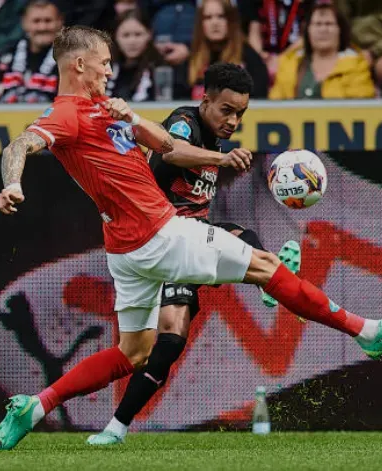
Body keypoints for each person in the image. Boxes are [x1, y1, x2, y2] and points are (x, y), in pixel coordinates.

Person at [0, 25, 382, 451]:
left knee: (134, 353)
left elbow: (164, 145)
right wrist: (12, 183)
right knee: (265, 265)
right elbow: (20, 145)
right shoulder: (67, 112)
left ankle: (34, 407)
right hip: (161, 232)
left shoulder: (104, 108)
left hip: (126, 250)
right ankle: (366, 331)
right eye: (104, 64)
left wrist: (132, 117)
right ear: (80, 63)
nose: (109, 71)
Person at [86, 63, 301, 446]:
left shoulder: (215, 138)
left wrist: (218, 155)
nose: (234, 120)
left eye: (241, 114)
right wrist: (220, 160)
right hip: (159, 239)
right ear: (206, 101)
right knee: (154, 346)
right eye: (227, 110)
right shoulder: (185, 122)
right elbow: (170, 153)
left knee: (241, 240)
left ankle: (115, 428)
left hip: (190, 239)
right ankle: (272, 281)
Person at [269, 1, 375, 100]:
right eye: (318, 24)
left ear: (340, 30)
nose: (323, 30)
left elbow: (362, 104)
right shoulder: (289, 64)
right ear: (308, 31)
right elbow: (275, 104)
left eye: (329, 24)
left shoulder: (356, 65)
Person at [0, 0, 63, 104]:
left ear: (60, 22)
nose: (42, 27)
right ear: (24, 23)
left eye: (48, 21)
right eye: (36, 21)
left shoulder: (70, 58)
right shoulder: (7, 52)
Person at [188, 0, 269, 99]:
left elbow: (259, 100)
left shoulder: (249, 58)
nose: (215, 23)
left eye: (221, 16)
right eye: (208, 18)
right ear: (201, 24)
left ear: (231, 21)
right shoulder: (191, 59)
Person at [106, 10, 161, 102]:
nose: (132, 41)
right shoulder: (105, 69)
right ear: (115, 37)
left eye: (138, 34)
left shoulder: (160, 68)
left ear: (149, 35)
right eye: (126, 35)